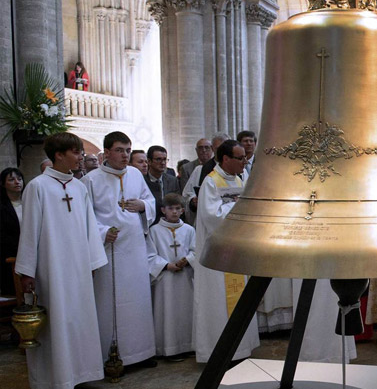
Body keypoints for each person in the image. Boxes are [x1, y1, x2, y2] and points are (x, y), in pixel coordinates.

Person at [15, 132, 107, 388]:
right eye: (76, 153)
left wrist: (92, 262)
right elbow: (29, 230)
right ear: (59, 155)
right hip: (50, 267)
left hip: (79, 268)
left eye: (81, 152)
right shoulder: (38, 187)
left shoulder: (79, 187)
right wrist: (27, 271)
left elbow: (90, 227)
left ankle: (81, 373)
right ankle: (55, 378)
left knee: (80, 319)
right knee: (55, 322)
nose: (81, 157)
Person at [81, 131, 157, 369]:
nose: (125, 155)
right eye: (119, 150)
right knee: (111, 303)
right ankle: (114, 355)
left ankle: (142, 352)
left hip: (135, 248)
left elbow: (150, 200)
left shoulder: (135, 174)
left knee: (139, 300)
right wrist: (103, 232)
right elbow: (86, 216)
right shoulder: (91, 180)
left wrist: (143, 205)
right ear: (106, 152)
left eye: (128, 150)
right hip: (110, 249)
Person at [193, 140, 259, 363]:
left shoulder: (240, 178)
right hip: (217, 255)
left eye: (245, 157)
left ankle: (241, 348)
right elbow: (212, 218)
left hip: (237, 250)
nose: (244, 161)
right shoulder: (211, 182)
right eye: (239, 158)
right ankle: (217, 351)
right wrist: (239, 205)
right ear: (225, 159)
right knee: (217, 300)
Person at [147, 193, 196, 361]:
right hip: (164, 281)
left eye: (177, 208)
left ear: (182, 210)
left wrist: (187, 260)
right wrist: (167, 265)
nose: (174, 212)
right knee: (166, 313)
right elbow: (149, 255)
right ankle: (168, 349)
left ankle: (188, 346)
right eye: (170, 208)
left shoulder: (189, 230)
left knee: (186, 311)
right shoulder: (154, 231)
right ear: (163, 210)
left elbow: (196, 250)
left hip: (185, 279)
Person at [0, 167, 23, 295]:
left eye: (19, 179)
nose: (17, 182)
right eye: (11, 179)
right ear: (3, 184)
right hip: (10, 256)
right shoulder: (2, 206)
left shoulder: (29, 201)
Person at [145, 145, 181, 226]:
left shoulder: (172, 180)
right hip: (149, 223)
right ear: (149, 161)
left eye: (165, 159)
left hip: (168, 223)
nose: (163, 163)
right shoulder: (143, 180)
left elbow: (177, 202)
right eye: (158, 159)